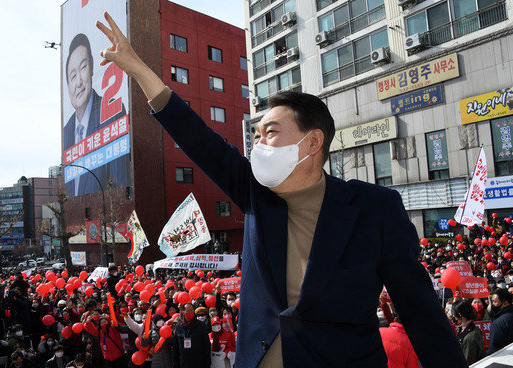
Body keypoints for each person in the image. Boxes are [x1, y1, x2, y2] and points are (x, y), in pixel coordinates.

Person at [95, 12, 468, 367]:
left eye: (270, 132)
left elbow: (421, 311)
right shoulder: (256, 194)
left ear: (311, 142)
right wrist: (139, 70)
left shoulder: (375, 208)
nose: (258, 143)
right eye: (256, 135)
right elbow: (197, 138)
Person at [63, 33, 129, 197]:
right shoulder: (66, 131)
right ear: (68, 86)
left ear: (92, 69)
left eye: (83, 68)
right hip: (77, 217)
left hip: (108, 217)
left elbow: (121, 184)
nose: (78, 82)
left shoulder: (111, 110)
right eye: (72, 76)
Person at [172, 303, 211, 368]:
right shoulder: (179, 327)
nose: (190, 312)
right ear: (183, 312)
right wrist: (176, 363)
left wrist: (207, 363)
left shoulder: (201, 326)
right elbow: (176, 347)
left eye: (192, 310)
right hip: (184, 363)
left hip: (199, 362)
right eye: (188, 311)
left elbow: (206, 345)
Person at [451, 300, 485, 364]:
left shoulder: (470, 337)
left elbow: (468, 362)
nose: (453, 317)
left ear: (459, 315)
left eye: (454, 315)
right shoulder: (467, 329)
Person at [487, 288, 513, 354]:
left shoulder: (498, 323)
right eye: (492, 301)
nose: (492, 304)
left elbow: (493, 349)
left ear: (505, 303)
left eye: (495, 302)